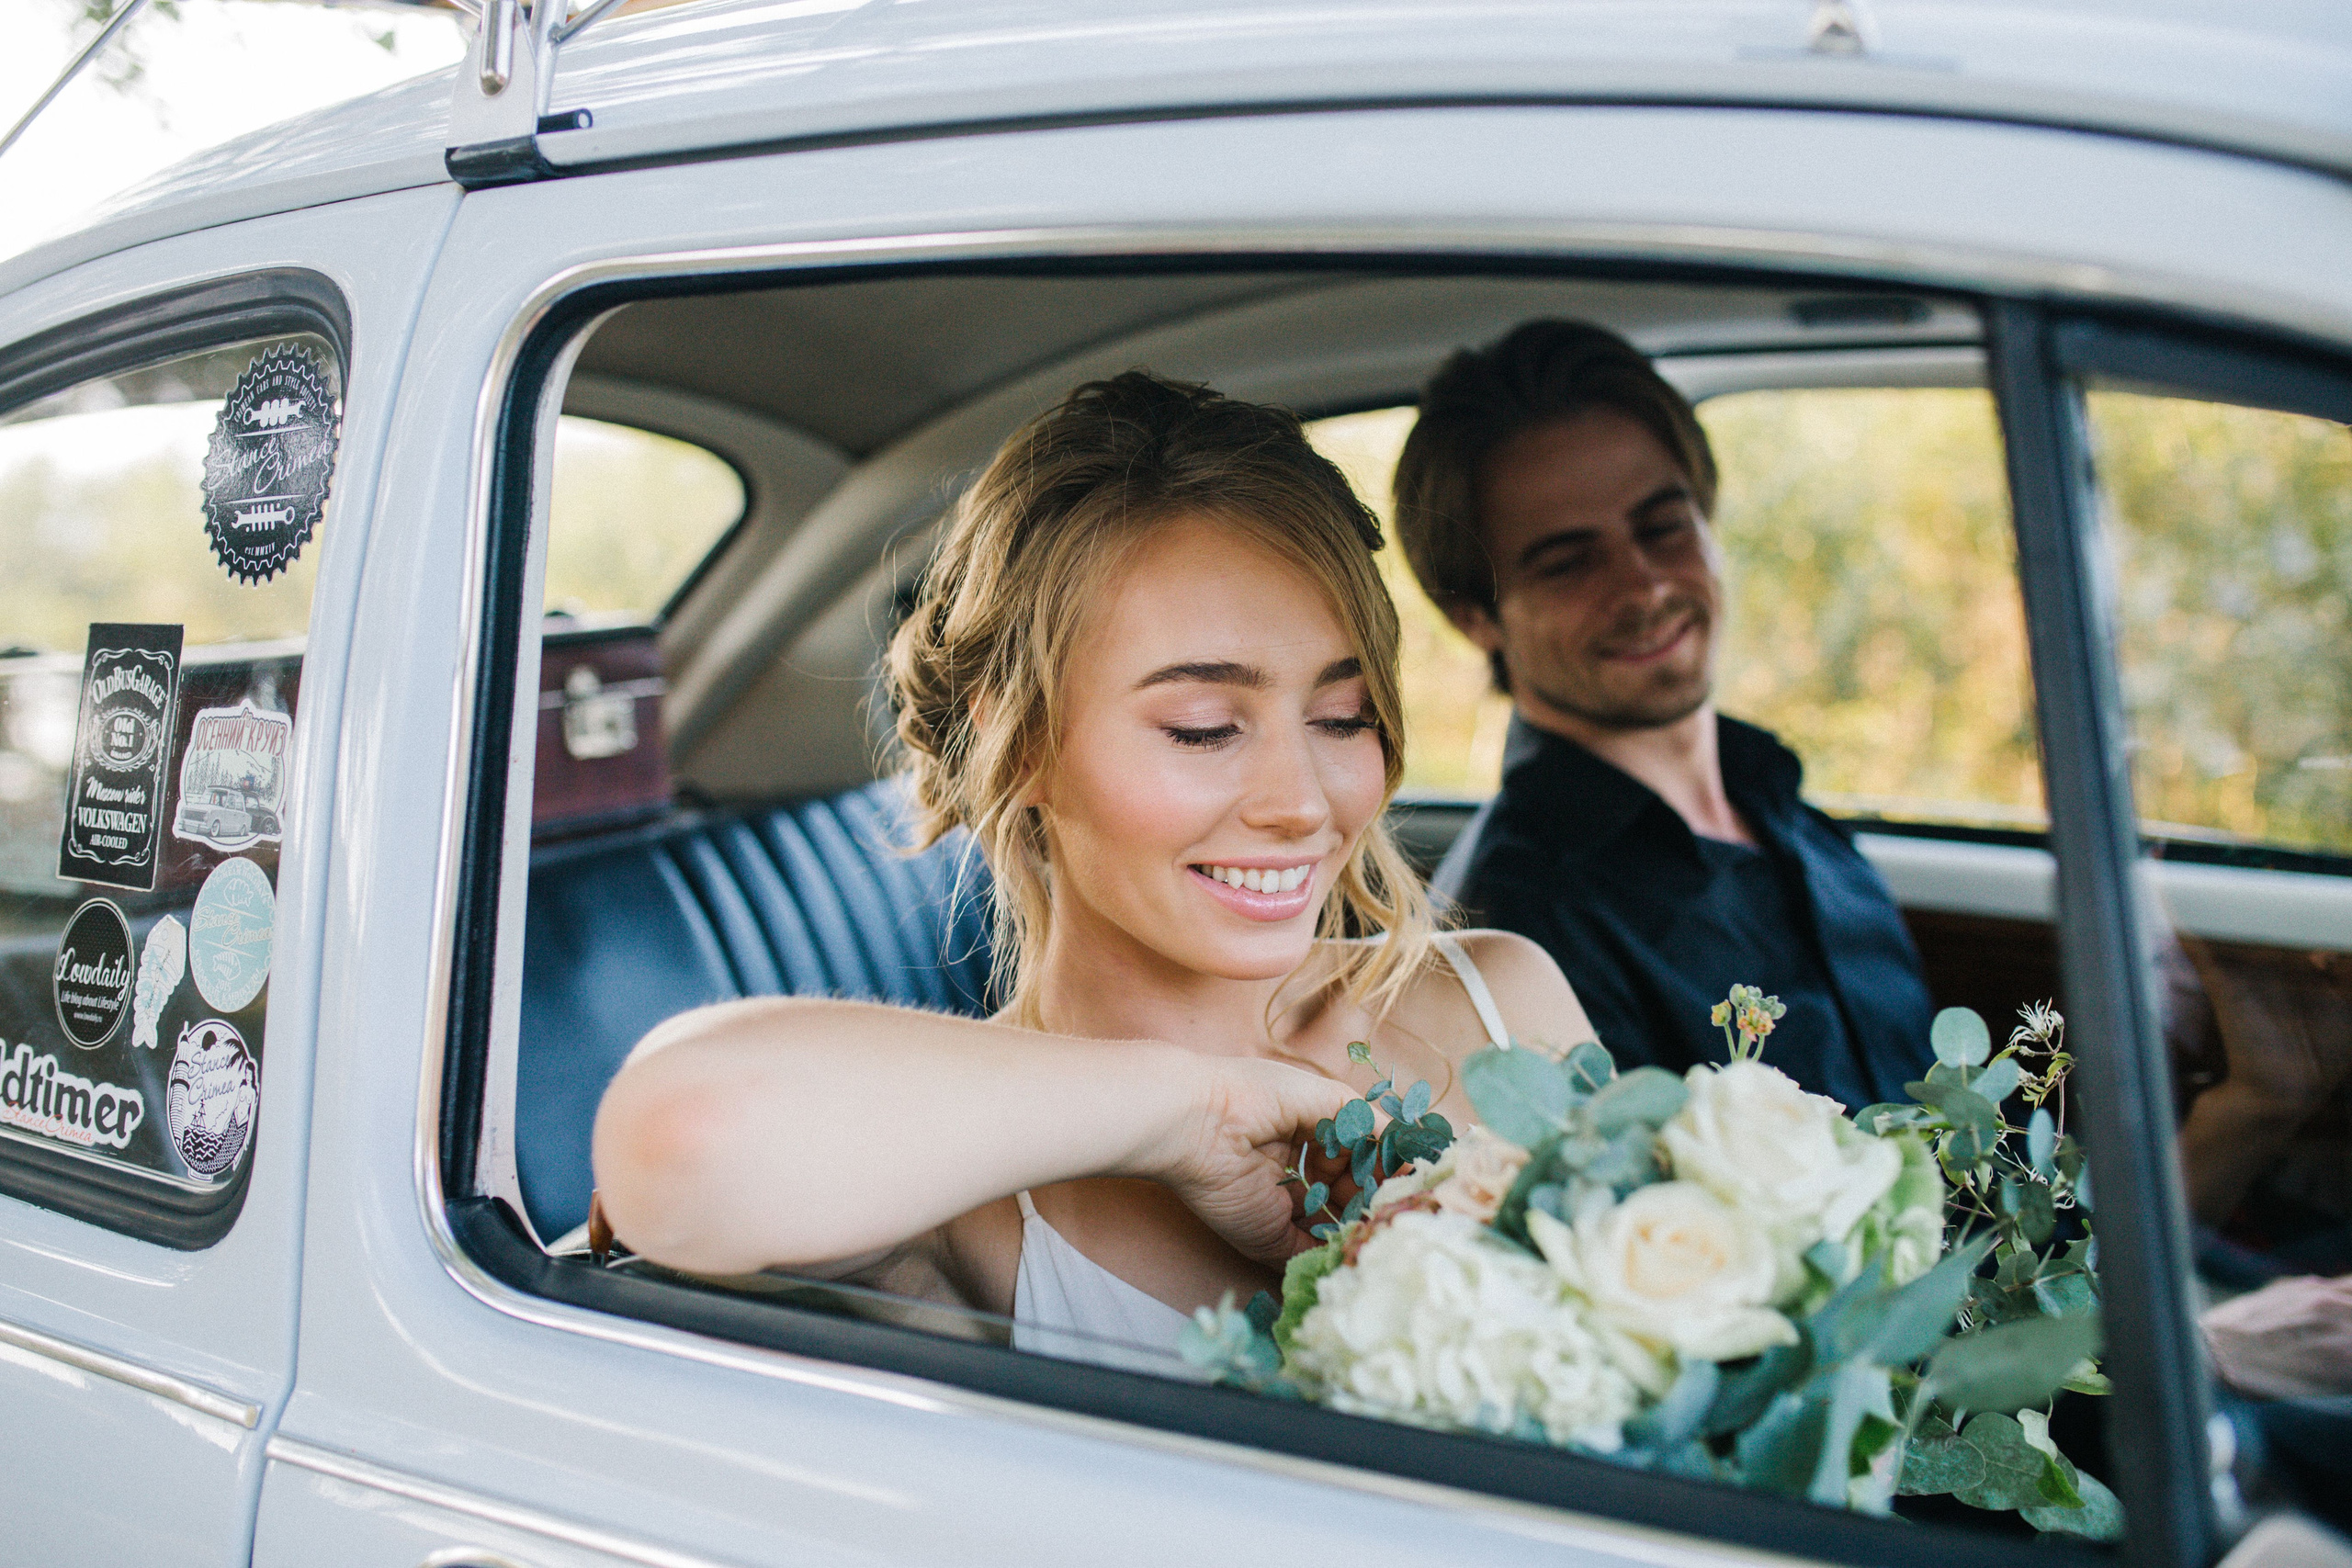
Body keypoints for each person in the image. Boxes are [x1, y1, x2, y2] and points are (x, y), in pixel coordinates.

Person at [593, 371, 1590, 1374]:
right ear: (1020, 742)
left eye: (1342, 717)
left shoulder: (1496, 1002)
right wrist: (1195, 1115)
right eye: (1202, 729)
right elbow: (686, 1134)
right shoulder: (957, 1188)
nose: (1302, 801)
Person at [1393, 321, 1934, 1110]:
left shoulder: (1797, 820)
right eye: (1569, 561)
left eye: (1662, 526)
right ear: (1475, 615)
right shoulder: (1520, 930)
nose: (1643, 586)